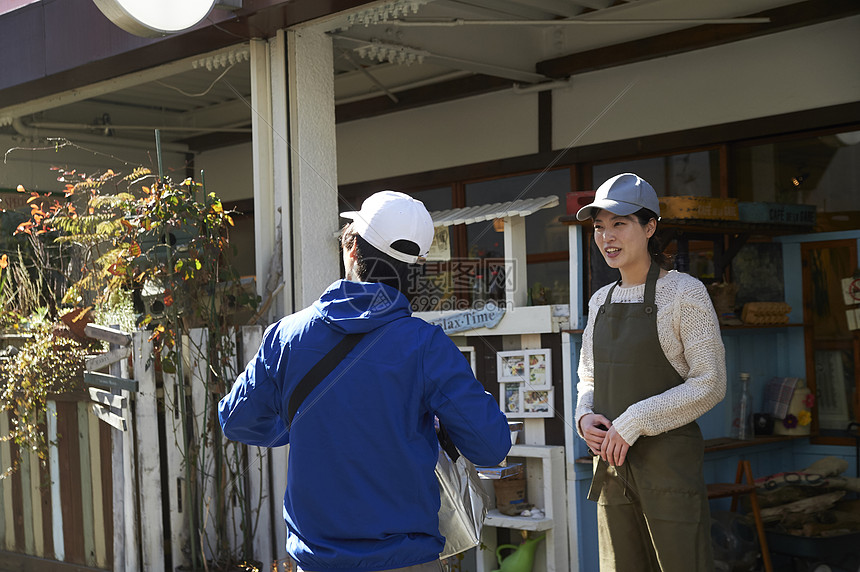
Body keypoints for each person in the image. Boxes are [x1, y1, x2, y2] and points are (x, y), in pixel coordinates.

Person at [219, 190, 511, 572]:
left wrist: (305, 422)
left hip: (316, 561)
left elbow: (236, 420)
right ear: (417, 263)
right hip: (407, 560)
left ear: (352, 248)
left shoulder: (285, 336)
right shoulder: (426, 346)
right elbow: (491, 447)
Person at [574, 173, 726, 572]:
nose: (607, 237)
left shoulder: (684, 293)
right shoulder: (599, 301)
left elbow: (710, 382)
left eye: (619, 224)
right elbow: (587, 377)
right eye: (599, 227)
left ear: (650, 227)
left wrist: (636, 421)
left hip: (668, 472)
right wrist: (583, 417)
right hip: (611, 469)